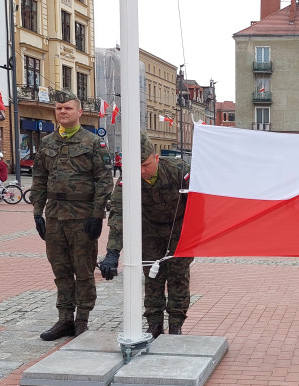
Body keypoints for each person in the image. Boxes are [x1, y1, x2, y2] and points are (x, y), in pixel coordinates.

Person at [31, 90, 114, 341]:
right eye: (59, 108)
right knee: (61, 270)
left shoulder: (93, 142)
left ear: (79, 112)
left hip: (82, 217)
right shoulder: (47, 143)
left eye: (67, 108)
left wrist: (97, 215)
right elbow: (39, 179)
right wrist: (37, 212)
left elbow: (104, 180)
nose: (62, 112)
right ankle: (65, 319)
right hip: (55, 216)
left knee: (84, 271)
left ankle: (82, 320)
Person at [100, 133, 193, 337]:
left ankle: (176, 325)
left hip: (179, 231)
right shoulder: (128, 179)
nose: (141, 171)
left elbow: (199, 203)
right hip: (149, 232)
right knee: (152, 278)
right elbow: (119, 212)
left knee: (178, 278)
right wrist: (113, 251)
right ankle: (154, 325)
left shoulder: (179, 171)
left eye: (146, 165)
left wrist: (195, 236)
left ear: (156, 158)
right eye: (137, 166)